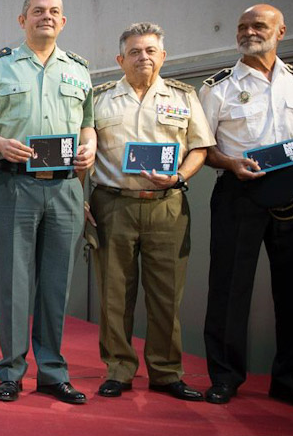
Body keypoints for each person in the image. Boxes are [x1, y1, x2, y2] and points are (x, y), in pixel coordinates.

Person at [0, 0, 96, 404]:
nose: (47, 16)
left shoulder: (79, 69)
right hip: (14, 184)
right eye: (38, 11)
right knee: (14, 284)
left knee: (56, 285)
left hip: (64, 187)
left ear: (64, 22)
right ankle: (10, 372)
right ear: (22, 19)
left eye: (54, 12)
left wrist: (90, 145)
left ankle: (52, 372)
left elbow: (89, 122)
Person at [199, 3, 293, 410]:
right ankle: (225, 377)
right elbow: (204, 148)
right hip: (238, 191)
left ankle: (291, 380)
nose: (249, 31)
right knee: (229, 289)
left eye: (259, 25)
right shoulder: (217, 87)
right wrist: (230, 162)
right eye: (242, 26)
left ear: (281, 30)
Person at [87, 23, 213, 401]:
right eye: (135, 51)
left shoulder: (184, 96)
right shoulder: (99, 98)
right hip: (113, 205)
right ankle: (119, 369)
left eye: (151, 50)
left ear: (163, 55)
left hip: (167, 207)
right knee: (114, 294)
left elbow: (200, 148)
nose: (144, 57)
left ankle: (166, 372)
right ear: (120, 59)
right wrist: (80, 199)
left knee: (166, 293)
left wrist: (178, 177)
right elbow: (84, 152)